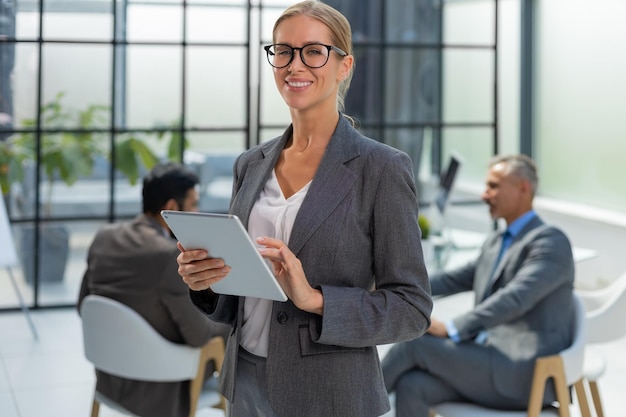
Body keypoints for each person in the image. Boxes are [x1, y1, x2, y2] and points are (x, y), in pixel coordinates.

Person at [174, 1, 432, 416]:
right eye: (283, 51)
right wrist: (204, 280)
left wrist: (316, 300)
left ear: (343, 66)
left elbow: (412, 309)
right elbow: (239, 295)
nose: (295, 65)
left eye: (313, 51)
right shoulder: (251, 164)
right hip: (246, 383)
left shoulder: (381, 168)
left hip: (329, 393)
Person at [382, 154, 576, 417]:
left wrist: (451, 328)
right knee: (412, 386)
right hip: (484, 361)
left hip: (522, 372)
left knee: (413, 345)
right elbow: (452, 279)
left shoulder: (550, 242)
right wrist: (389, 283)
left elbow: (514, 298)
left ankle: (350, 411)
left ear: (523, 188)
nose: (485, 195)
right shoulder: (496, 241)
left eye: (494, 186)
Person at [77, 162, 230, 417]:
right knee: (232, 325)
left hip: (110, 378)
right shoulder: (169, 256)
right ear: (171, 208)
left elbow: (82, 306)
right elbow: (199, 337)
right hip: (161, 388)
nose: (197, 211)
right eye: (193, 204)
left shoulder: (103, 237)